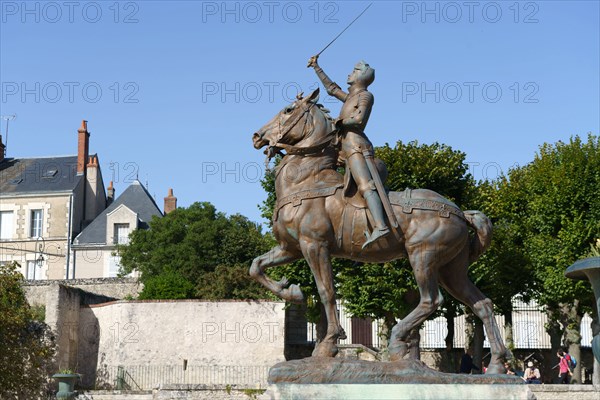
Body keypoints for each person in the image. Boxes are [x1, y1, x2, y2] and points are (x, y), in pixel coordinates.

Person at [307, 55, 389, 248]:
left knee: (364, 185)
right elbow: (332, 89)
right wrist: (316, 67)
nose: (349, 74)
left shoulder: (365, 96)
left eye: (353, 71)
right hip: (343, 147)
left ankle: (380, 225)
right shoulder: (351, 97)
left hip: (356, 146)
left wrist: (338, 122)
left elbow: (359, 120)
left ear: (361, 76)